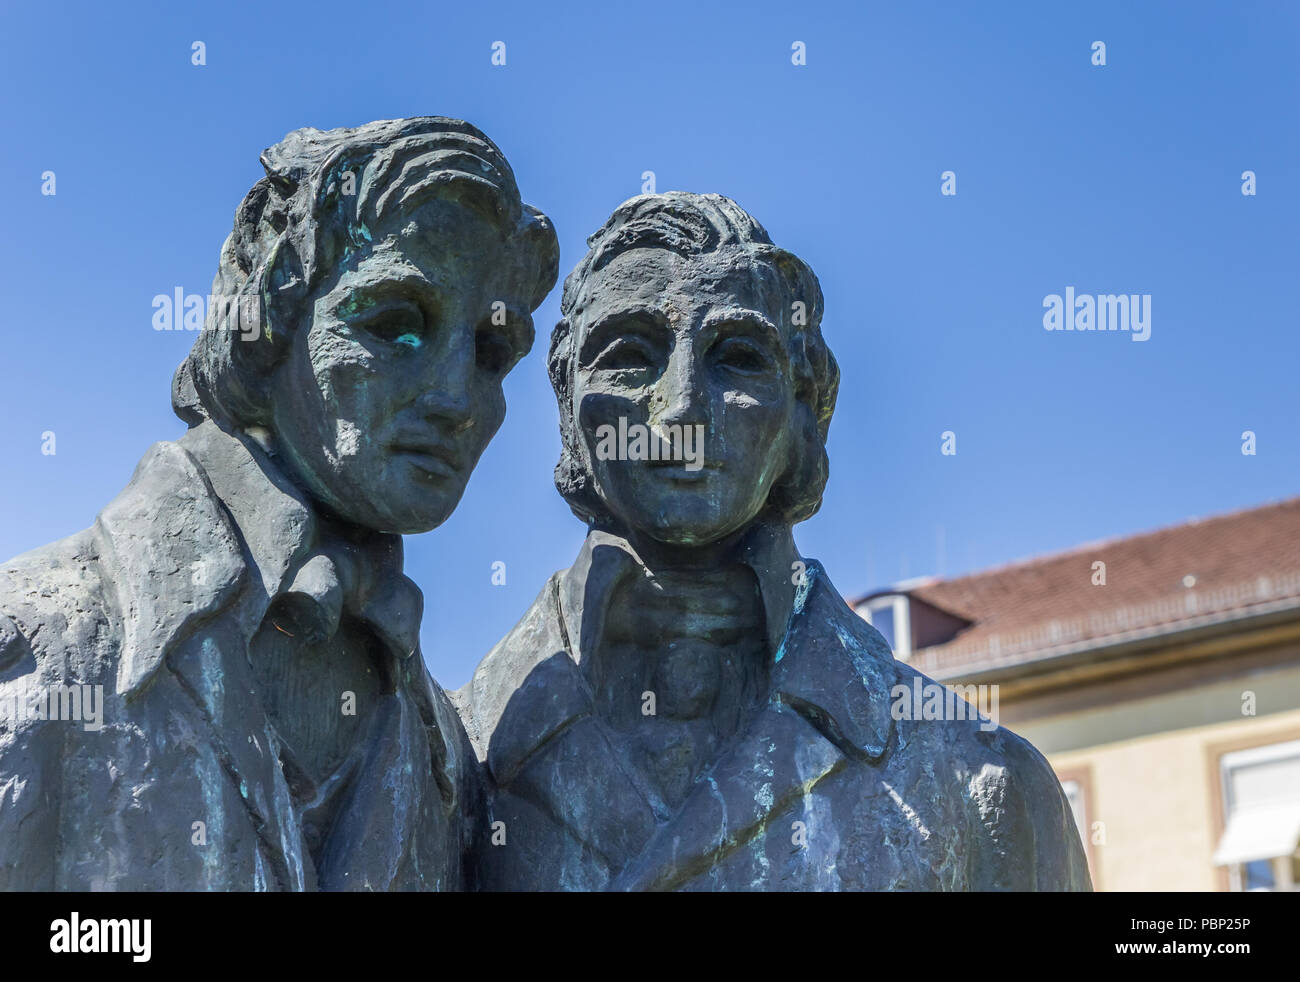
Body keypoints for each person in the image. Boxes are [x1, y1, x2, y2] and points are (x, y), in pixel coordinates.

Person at [454, 191, 1091, 891]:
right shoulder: (446, 759)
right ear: (570, 413)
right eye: (629, 356)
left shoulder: (981, 784)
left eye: (738, 359)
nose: (682, 408)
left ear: (806, 414)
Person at [0, 116, 558, 890]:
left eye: (492, 353)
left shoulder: (449, 755)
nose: (457, 398)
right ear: (267, 322)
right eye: (396, 325)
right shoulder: (37, 646)